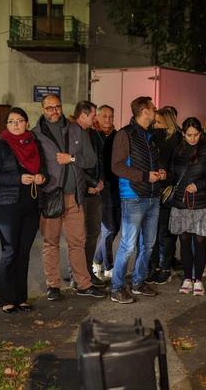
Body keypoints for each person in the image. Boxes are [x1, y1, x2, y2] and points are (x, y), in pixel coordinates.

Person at [34, 95, 106, 301]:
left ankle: (83, 284)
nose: (54, 111)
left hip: (74, 197)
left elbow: (90, 159)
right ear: (43, 109)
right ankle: (53, 286)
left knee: (77, 243)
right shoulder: (36, 134)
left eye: (57, 107)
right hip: (51, 197)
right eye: (49, 108)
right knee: (51, 243)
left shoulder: (76, 130)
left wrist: (71, 159)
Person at [0, 108, 48, 313]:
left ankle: (21, 298)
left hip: (31, 205)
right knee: (10, 251)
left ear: (26, 123)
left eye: (19, 121)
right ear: (6, 125)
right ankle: (6, 299)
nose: (15, 125)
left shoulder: (35, 144)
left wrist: (42, 177)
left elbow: (45, 170)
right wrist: (17, 179)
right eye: (11, 121)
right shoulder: (0, 147)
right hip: (8, 205)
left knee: (24, 253)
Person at [110, 96, 164, 304]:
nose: (155, 111)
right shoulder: (125, 134)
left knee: (148, 245)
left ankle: (138, 281)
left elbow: (149, 164)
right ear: (144, 111)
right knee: (128, 246)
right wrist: (144, 176)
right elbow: (117, 166)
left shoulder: (149, 135)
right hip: (133, 196)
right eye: (153, 108)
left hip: (152, 196)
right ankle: (116, 288)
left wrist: (159, 172)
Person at [169, 117, 206, 295]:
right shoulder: (178, 150)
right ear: (183, 134)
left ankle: (198, 280)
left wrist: (198, 185)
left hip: (200, 204)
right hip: (181, 203)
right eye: (189, 135)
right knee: (184, 242)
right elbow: (173, 173)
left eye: (196, 134)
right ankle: (187, 278)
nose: (192, 138)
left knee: (200, 242)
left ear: (200, 133)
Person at [74, 101, 107, 287]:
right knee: (78, 237)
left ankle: (87, 272)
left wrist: (100, 182)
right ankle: (77, 276)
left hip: (96, 191)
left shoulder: (94, 135)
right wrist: (91, 183)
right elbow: (75, 163)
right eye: (93, 115)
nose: (96, 119)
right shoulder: (72, 133)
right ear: (83, 115)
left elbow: (100, 160)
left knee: (93, 233)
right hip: (80, 191)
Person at [148, 107, 183, 285]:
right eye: (155, 122)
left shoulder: (177, 139)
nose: (156, 126)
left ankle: (165, 267)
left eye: (159, 122)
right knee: (152, 233)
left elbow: (179, 167)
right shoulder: (153, 136)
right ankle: (154, 267)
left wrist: (167, 175)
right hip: (153, 189)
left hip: (168, 191)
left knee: (166, 232)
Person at [92, 104, 119, 281]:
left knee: (115, 228)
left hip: (118, 186)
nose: (108, 120)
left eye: (111, 116)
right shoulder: (93, 136)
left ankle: (96, 260)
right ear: (97, 118)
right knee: (108, 229)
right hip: (102, 187)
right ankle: (108, 266)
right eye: (104, 116)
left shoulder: (118, 136)